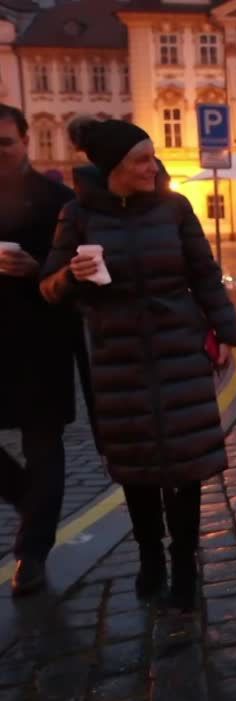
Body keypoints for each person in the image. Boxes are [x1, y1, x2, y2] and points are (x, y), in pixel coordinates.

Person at [40, 118, 236, 611]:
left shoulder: (175, 210)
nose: (154, 167)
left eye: (152, 158)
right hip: (119, 357)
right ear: (114, 167)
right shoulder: (78, 215)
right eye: (142, 160)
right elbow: (49, 287)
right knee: (136, 468)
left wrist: (227, 334)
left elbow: (205, 275)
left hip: (179, 348)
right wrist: (71, 275)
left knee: (187, 463)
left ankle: (186, 562)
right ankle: (150, 555)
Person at [0, 104, 80, 595]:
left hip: (42, 341)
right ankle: (32, 499)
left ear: (26, 142)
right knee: (36, 476)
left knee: (44, 446)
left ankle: (32, 552)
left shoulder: (58, 200)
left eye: (5, 143)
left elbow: (78, 277)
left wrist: (39, 273)